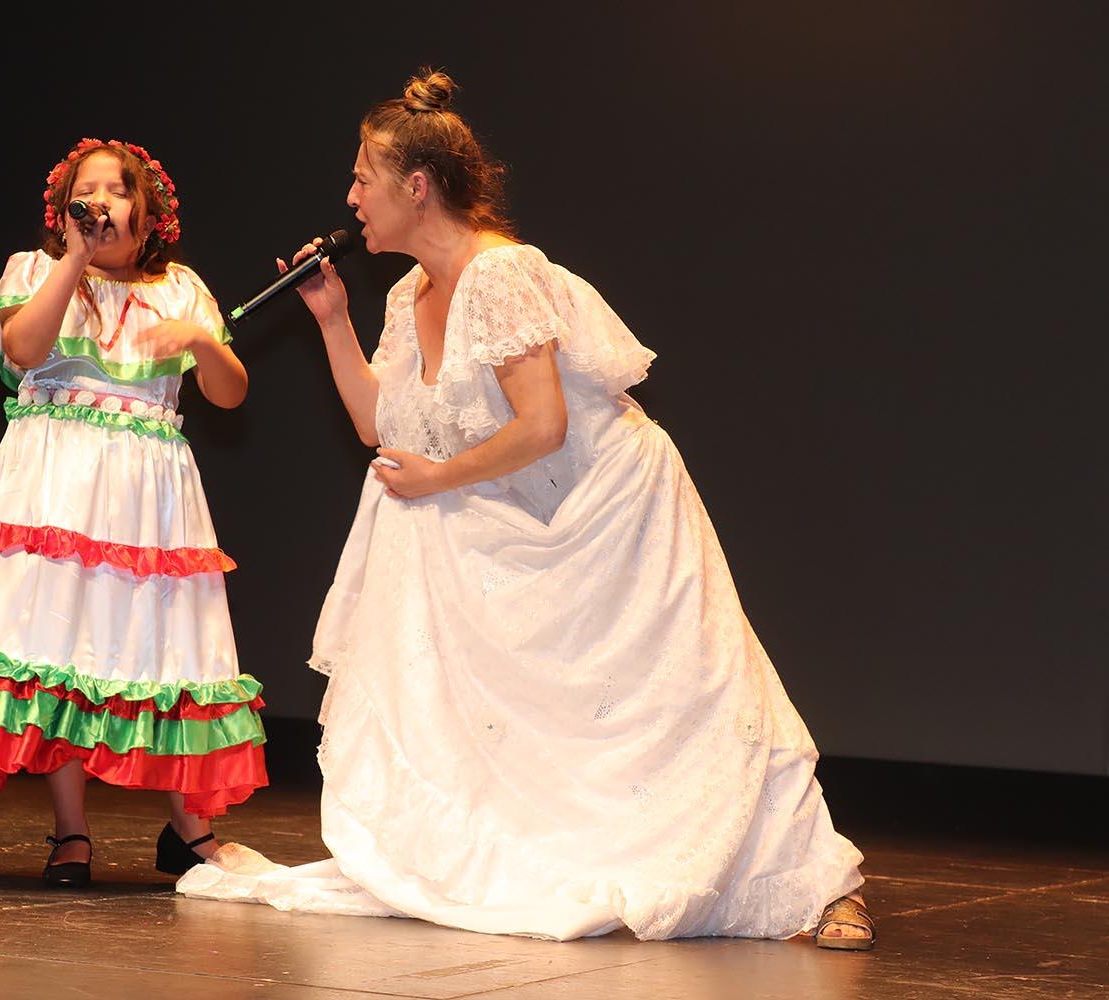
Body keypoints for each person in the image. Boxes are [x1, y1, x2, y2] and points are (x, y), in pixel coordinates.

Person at [178, 73, 875, 948]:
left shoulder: (500, 272)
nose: (350, 199)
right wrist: (330, 320)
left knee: (691, 698)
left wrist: (440, 477)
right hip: (527, 516)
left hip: (611, 511)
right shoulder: (406, 296)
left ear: (416, 187)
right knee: (407, 511)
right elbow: (379, 426)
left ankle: (817, 883)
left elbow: (544, 425)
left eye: (363, 178)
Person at [0, 137, 267, 886]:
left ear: (149, 215)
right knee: (60, 644)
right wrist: (73, 259)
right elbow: (25, 348)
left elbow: (230, 394)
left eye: (117, 191)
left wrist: (202, 339)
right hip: (54, 482)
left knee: (163, 645)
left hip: (148, 494)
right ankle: (71, 831)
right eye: (84, 193)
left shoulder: (181, 290)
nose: (100, 203)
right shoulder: (35, 272)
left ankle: (190, 829)